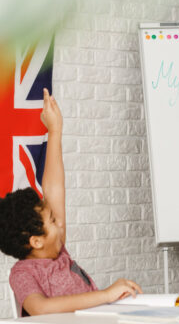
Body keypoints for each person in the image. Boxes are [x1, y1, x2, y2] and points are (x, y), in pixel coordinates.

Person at [0, 89, 142, 317]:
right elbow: (40, 309)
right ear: (36, 241)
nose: (61, 222)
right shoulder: (23, 273)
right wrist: (105, 295)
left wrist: (55, 131)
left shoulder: (57, 250)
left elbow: (54, 188)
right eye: (53, 220)